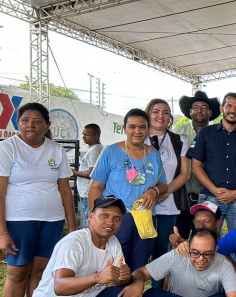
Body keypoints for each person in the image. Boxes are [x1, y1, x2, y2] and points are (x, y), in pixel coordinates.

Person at [1, 102, 76, 297]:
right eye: (25, 120)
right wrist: (2, 232)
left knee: (41, 273)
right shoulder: (8, 147)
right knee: (18, 273)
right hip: (19, 222)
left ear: (47, 125)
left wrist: (72, 228)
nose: (30, 125)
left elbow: (65, 189)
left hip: (52, 221)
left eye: (37, 121)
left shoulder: (56, 149)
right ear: (17, 123)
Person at [88, 108, 168, 273]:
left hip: (145, 219)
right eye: (132, 127)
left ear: (148, 129)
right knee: (114, 265)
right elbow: (96, 187)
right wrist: (93, 218)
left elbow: (163, 184)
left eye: (142, 127)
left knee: (138, 267)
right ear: (125, 128)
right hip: (116, 218)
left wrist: (154, 191)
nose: (137, 131)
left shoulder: (154, 154)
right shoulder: (110, 152)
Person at [192, 92, 236, 231]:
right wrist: (215, 190)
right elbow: (196, 166)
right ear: (221, 108)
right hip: (210, 196)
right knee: (206, 241)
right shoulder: (206, 133)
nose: (233, 110)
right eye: (229, 105)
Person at [145, 99, 190, 262]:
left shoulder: (179, 141)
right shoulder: (138, 138)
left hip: (169, 205)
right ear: (148, 114)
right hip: (142, 205)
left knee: (163, 252)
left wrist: (165, 192)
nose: (160, 116)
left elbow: (185, 173)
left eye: (165, 112)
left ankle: (158, 287)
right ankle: (135, 286)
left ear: (170, 117)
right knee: (140, 251)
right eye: (156, 111)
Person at [174, 91, 221, 237]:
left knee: (204, 238)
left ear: (210, 112)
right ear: (190, 111)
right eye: (195, 107)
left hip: (207, 196)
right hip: (182, 195)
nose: (199, 110)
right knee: (179, 238)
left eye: (204, 107)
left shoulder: (219, 135)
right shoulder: (178, 133)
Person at [72, 123, 105, 228]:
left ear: (96, 136)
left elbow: (92, 173)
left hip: (88, 192)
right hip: (89, 192)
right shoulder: (98, 148)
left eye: (87, 135)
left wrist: (75, 173)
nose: (83, 137)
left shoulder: (94, 151)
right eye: (83, 134)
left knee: (88, 219)